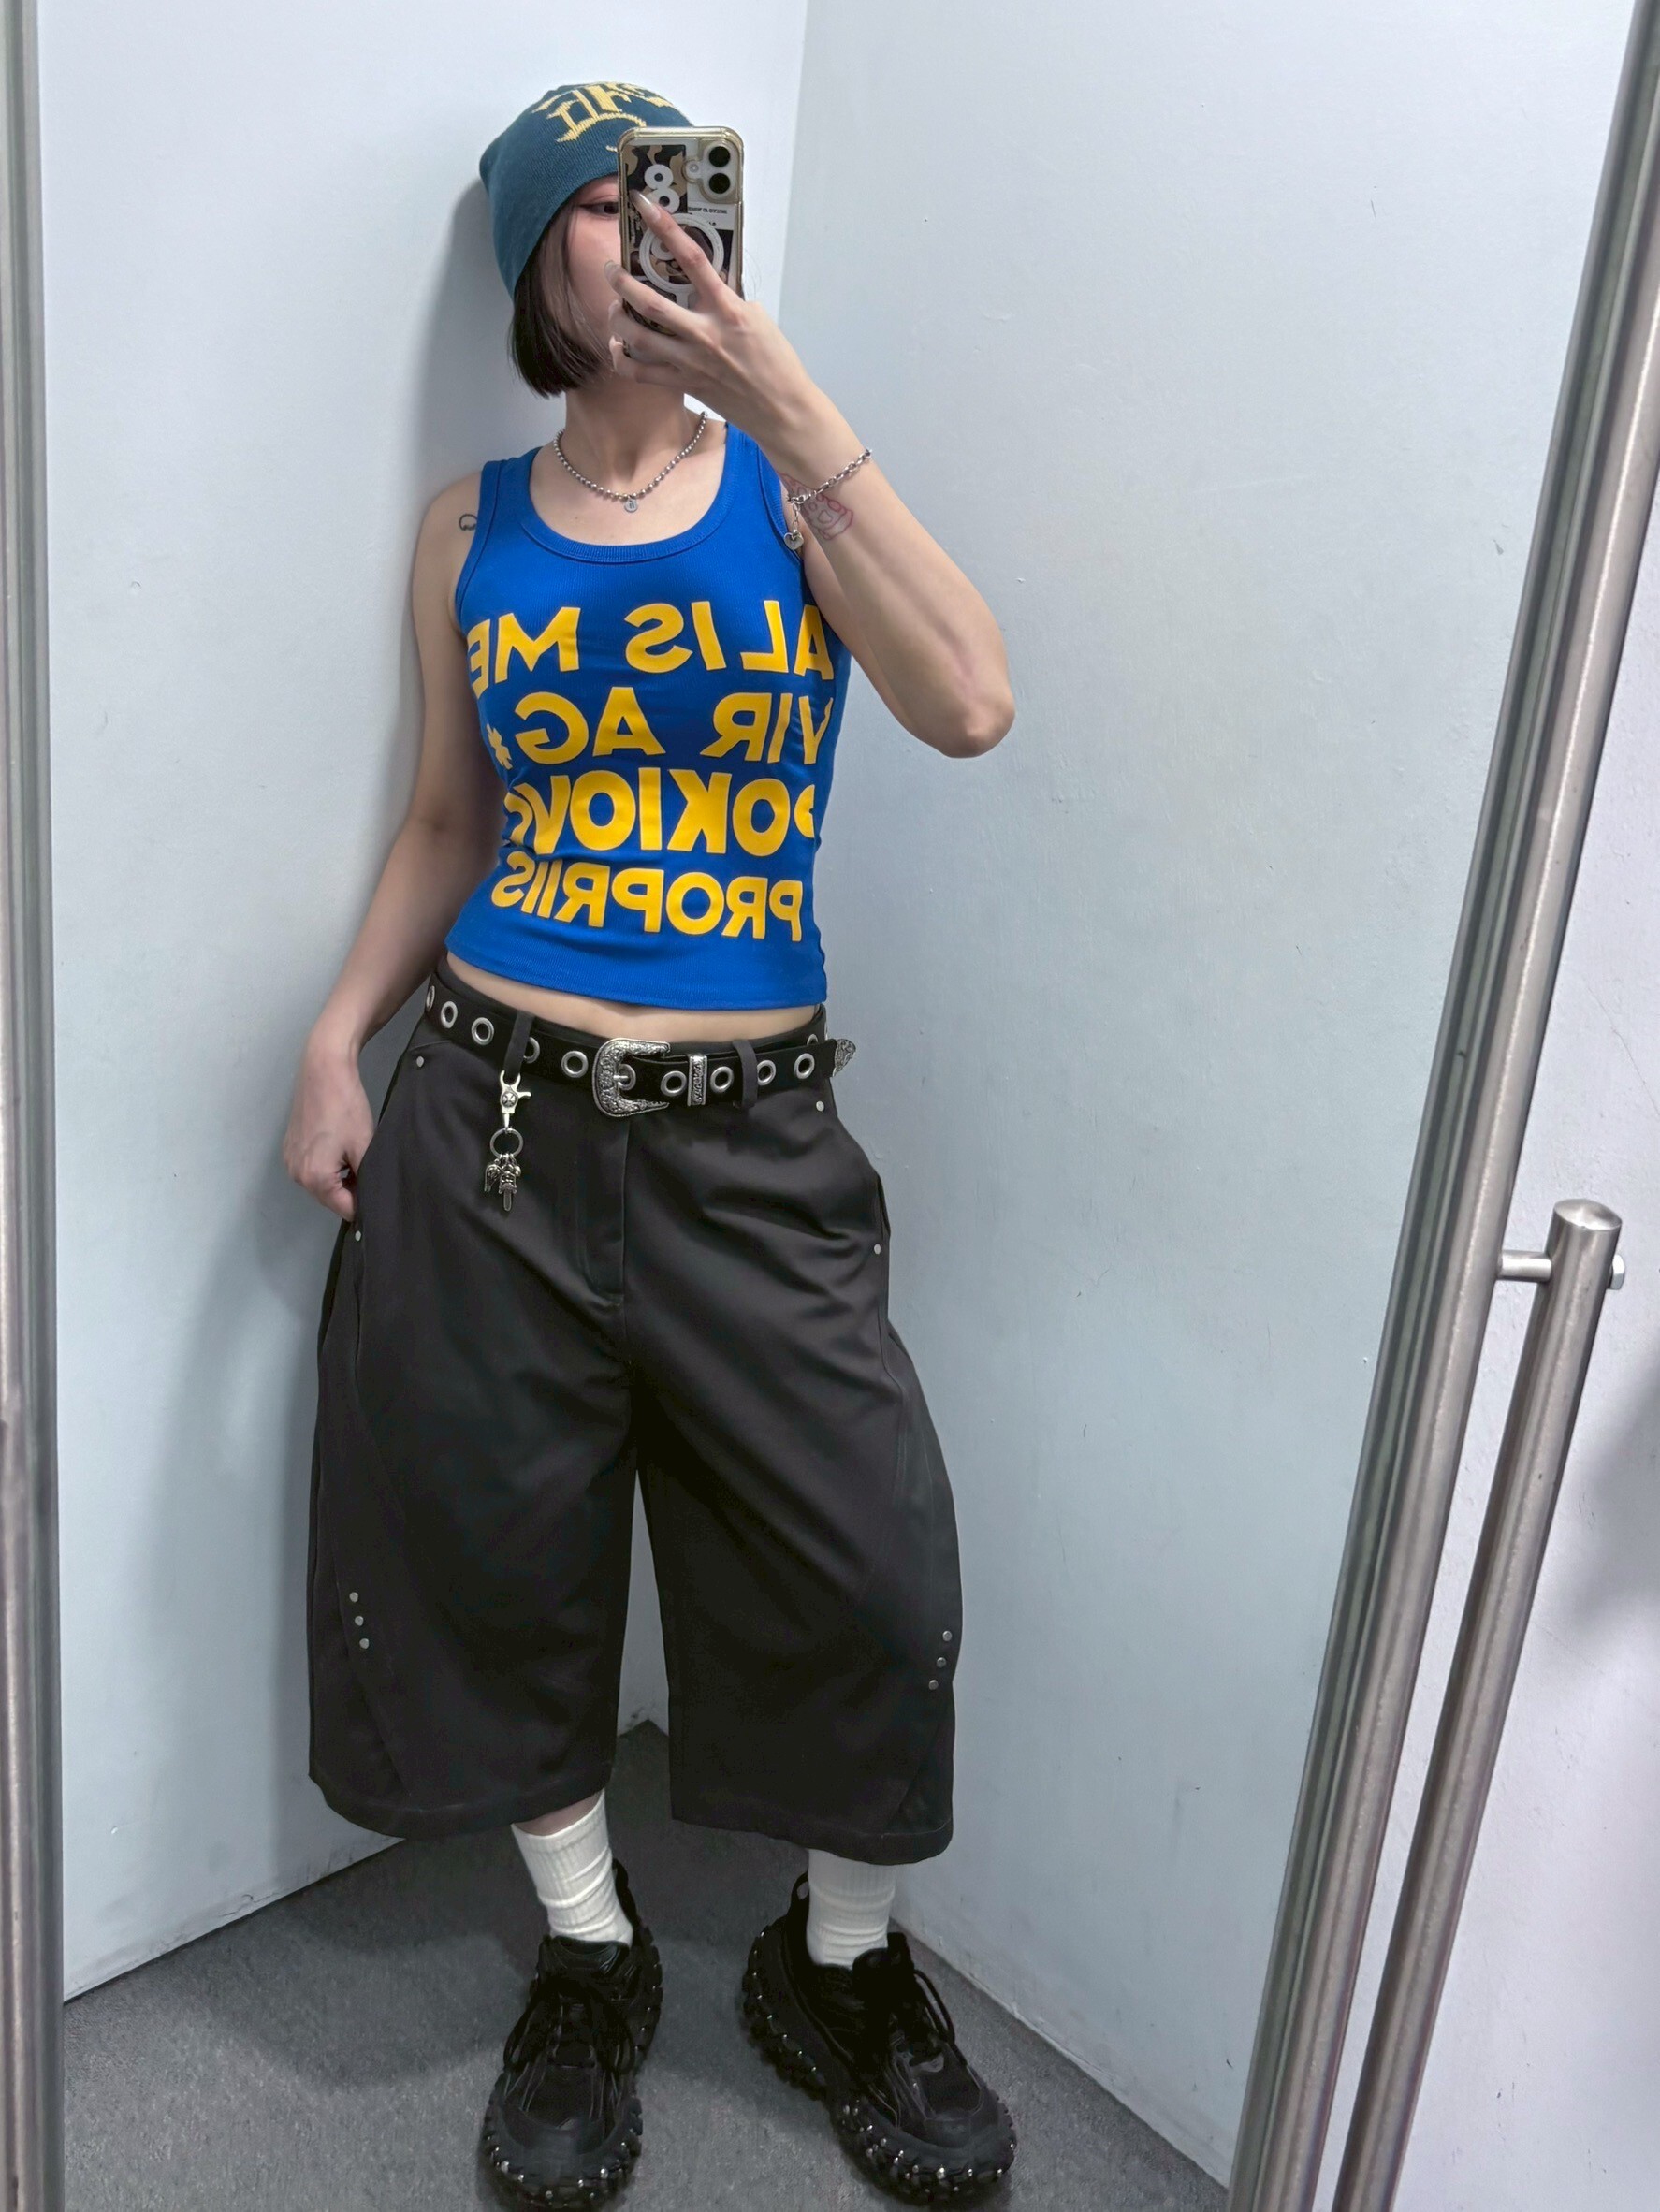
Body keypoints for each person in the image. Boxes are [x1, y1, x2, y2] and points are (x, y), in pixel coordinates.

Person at [284, 78, 1018, 2206]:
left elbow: (969, 701)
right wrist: (337, 1036)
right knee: (502, 1557)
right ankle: (590, 1953)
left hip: (749, 1139)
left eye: (675, 193)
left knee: (867, 1565)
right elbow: (453, 817)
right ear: (539, 262)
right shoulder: (468, 529)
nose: (650, 228)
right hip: (493, 1124)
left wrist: (783, 399)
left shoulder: (795, 493)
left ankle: (837, 1961)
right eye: (601, 205)